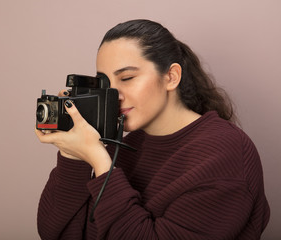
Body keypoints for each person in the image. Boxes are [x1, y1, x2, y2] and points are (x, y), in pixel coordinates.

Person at [35, 19, 270, 239]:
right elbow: (57, 233)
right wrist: (72, 155)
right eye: (106, 84)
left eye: (126, 78)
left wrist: (100, 162)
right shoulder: (128, 145)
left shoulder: (225, 153)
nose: (114, 95)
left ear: (171, 76)